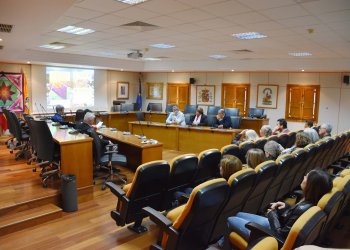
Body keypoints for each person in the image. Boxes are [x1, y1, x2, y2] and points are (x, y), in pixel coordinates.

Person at [222, 169, 333, 250]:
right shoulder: (311, 203)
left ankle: (223, 245)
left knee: (230, 219)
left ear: (311, 186)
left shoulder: (302, 208)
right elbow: (293, 217)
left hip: (271, 236)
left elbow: (279, 234)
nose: (304, 177)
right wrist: (285, 207)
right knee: (238, 213)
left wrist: (272, 213)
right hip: (277, 226)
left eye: (306, 177)